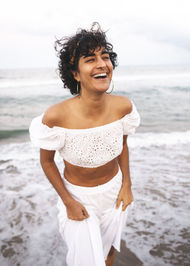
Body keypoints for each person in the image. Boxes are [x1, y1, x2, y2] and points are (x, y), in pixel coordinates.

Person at [29, 22, 140, 266]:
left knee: (109, 251)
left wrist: (127, 185)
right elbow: (46, 162)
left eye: (105, 56)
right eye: (90, 58)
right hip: (79, 197)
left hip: (114, 193)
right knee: (86, 261)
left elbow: (122, 147)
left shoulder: (124, 107)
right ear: (76, 74)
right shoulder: (56, 116)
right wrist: (69, 202)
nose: (102, 64)